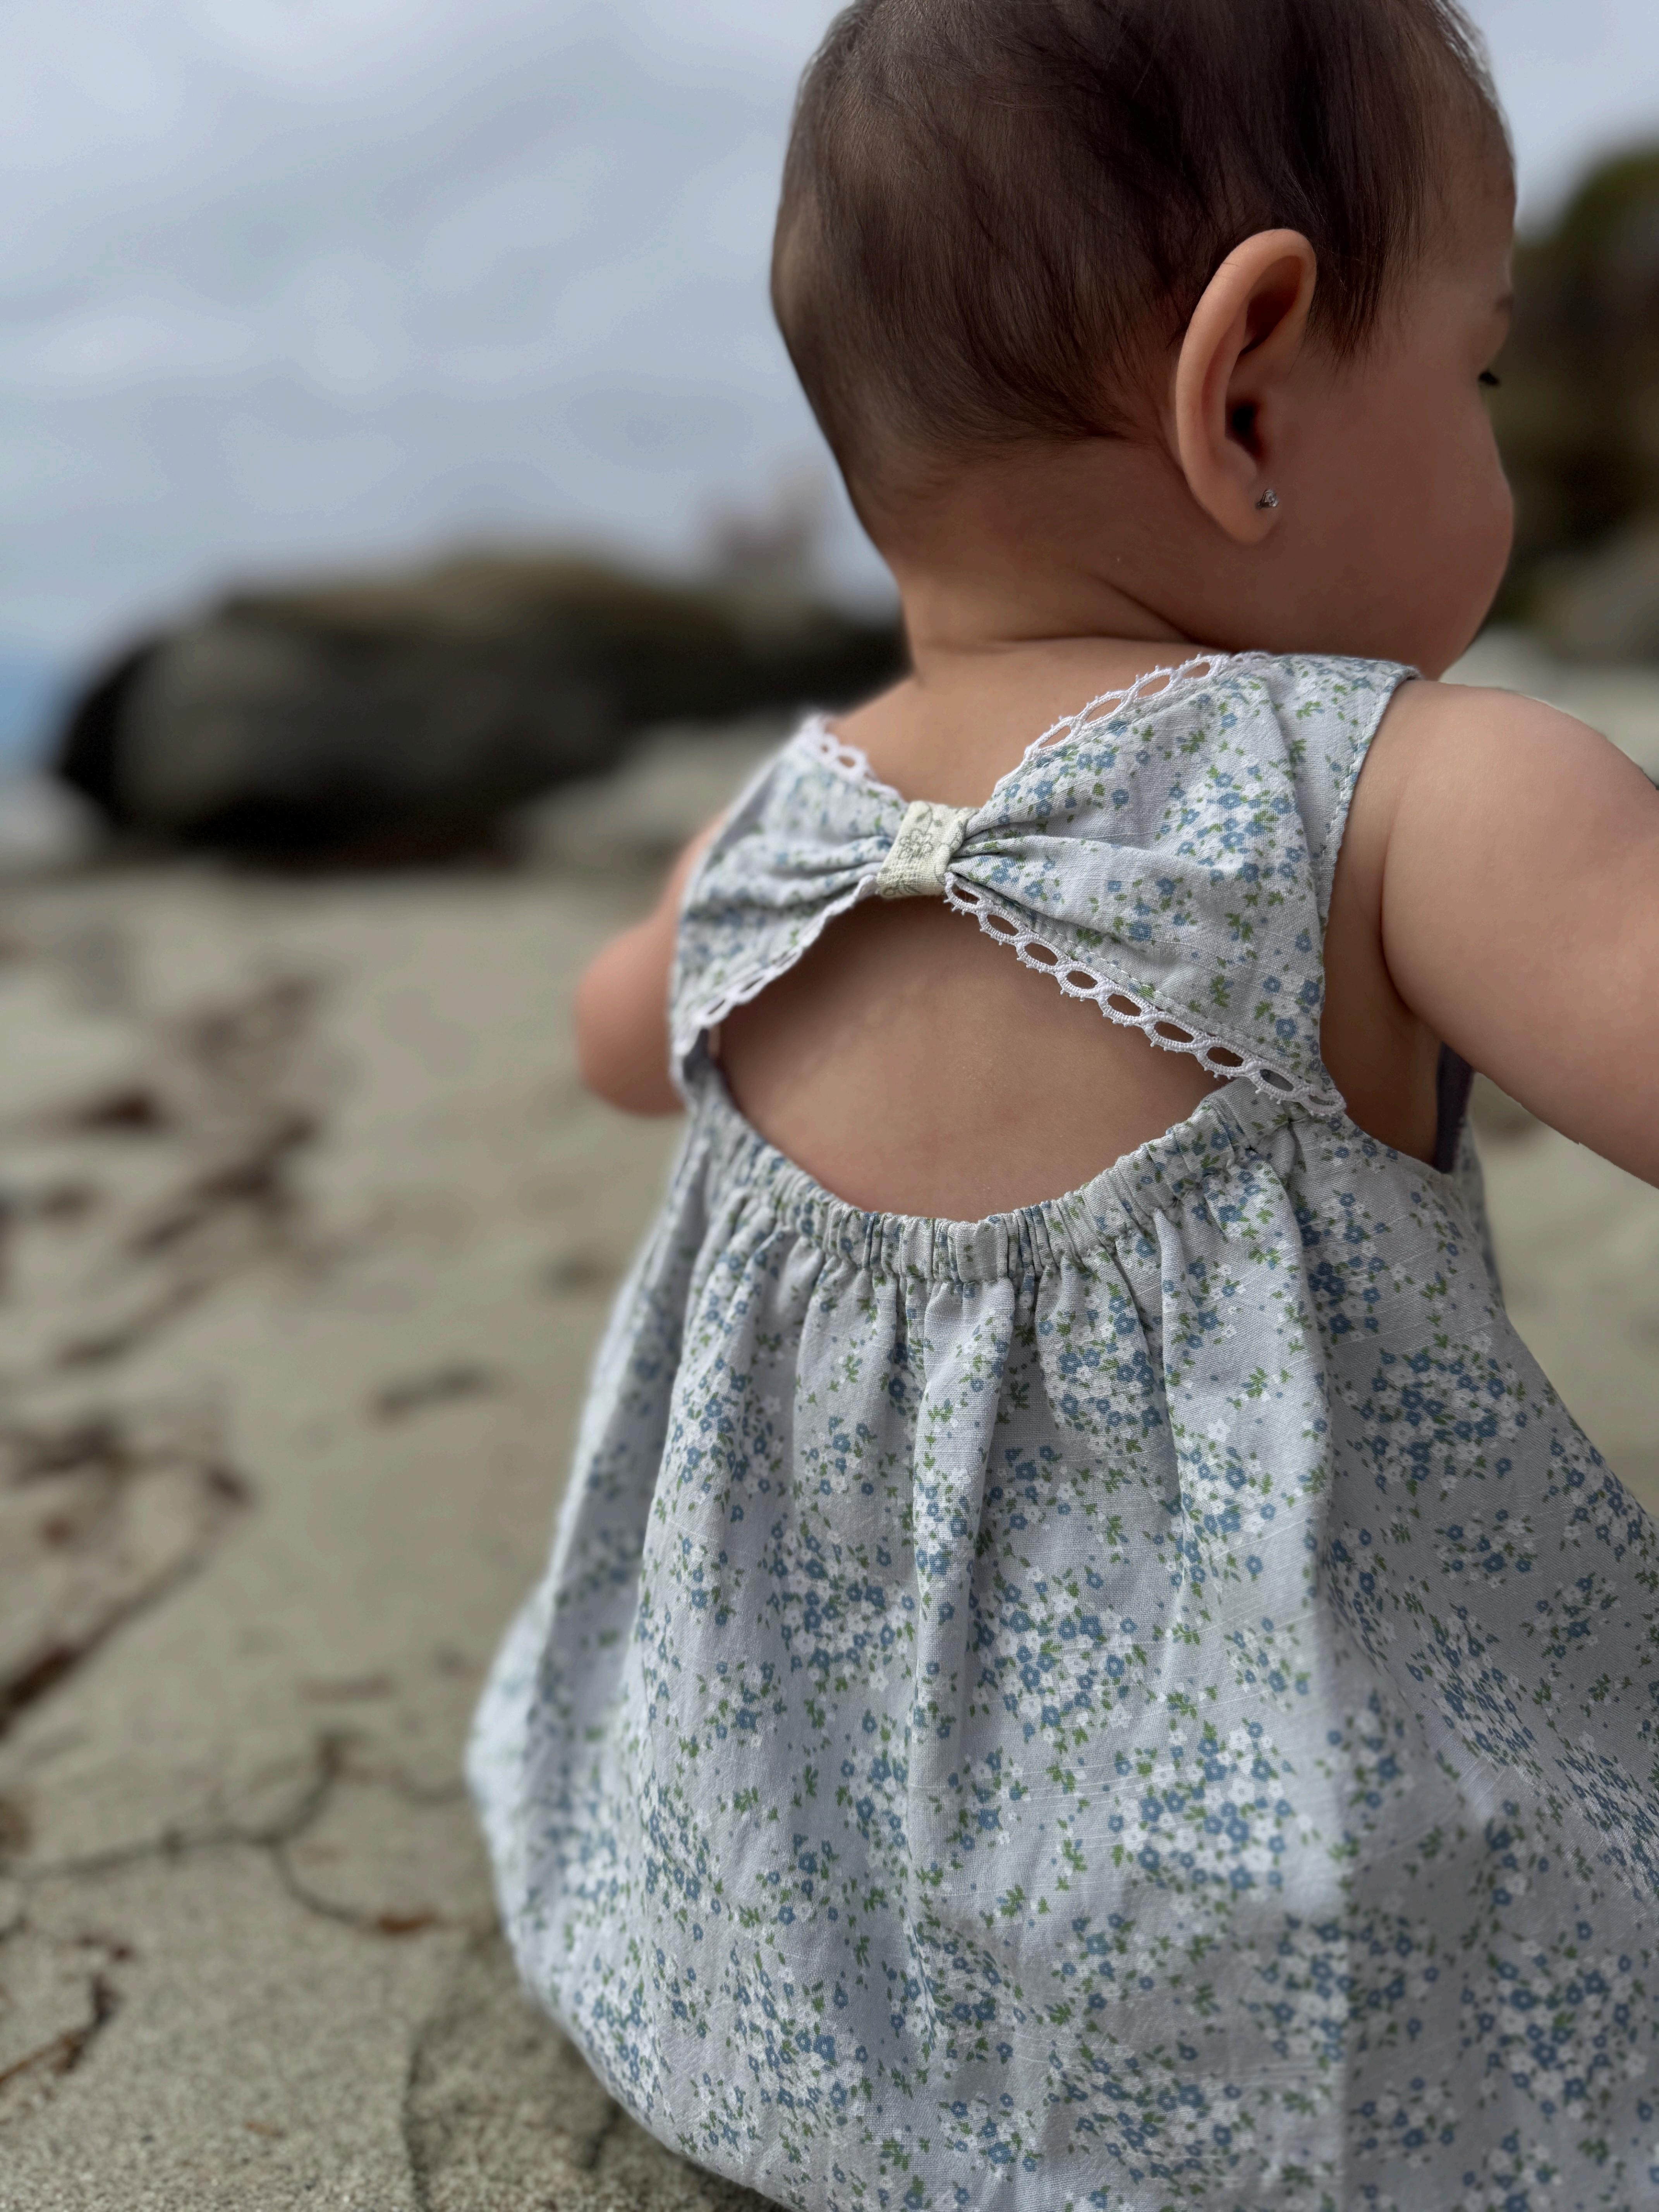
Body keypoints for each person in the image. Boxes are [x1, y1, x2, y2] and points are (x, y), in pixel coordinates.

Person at [469, 4, 1659, 2205]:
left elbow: (612, 1037)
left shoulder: (769, 830)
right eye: (1477, 375)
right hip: (1282, 2017)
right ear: (1247, 395)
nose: (1493, 432)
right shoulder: (1414, 797)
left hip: (778, 1943)